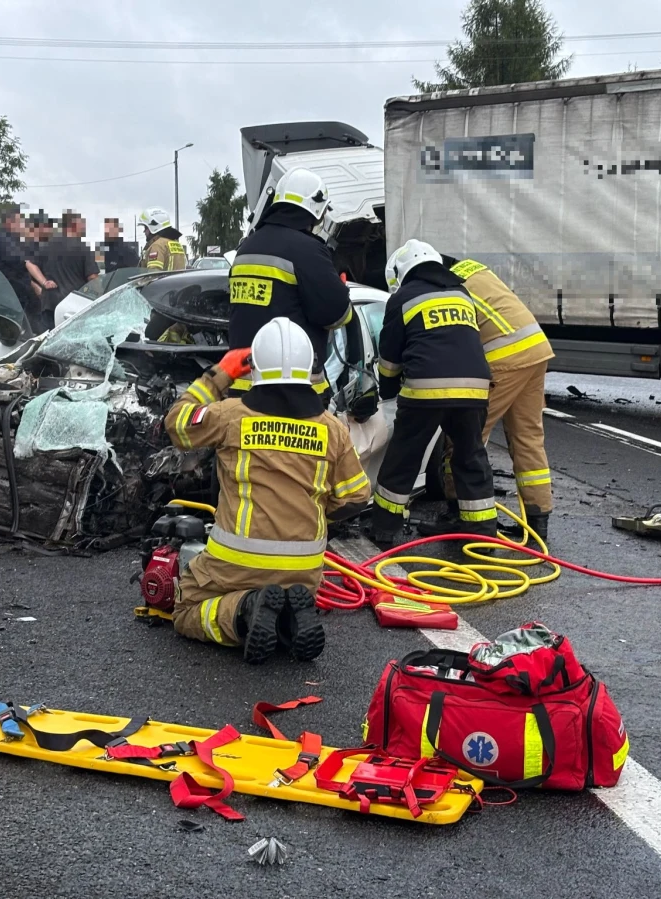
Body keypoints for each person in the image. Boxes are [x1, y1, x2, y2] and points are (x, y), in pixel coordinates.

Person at [163, 317, 371, 663]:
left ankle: (244, 610)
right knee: (285, 598)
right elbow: (356, 496)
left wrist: (220, 374)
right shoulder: (333, 429)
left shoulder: (231, 416)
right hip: (304, 570)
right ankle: (287, 620)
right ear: (308, 369)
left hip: (235, 563)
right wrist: (313, 512)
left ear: (255, 368)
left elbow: (177, 424)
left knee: (186, 610)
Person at [371, 240, 495, 547]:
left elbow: (389, 360)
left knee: (404, 457)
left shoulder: (403, 298)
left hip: (426, 390)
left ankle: (386, 529)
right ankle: (481, 531)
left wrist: (387, 391)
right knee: (470, 455)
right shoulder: (462, 294)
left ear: (403, 272)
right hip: (474, 390)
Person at [432, 256, 555, 541]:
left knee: (464, 435)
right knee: (528, 437)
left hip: (504, 357)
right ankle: (537, 523)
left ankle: (460, 513)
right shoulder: (471, 268)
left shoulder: (443, 289)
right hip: (536, 347)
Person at [227, 168, 352, 400]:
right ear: (316, 210)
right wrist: (340, 289)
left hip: (242, 387)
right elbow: (338, 315)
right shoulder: (309, 250)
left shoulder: (245, 249)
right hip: (294, 394)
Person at [0, 207, 54, 330]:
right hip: (10, 296)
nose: (22, 225)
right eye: (19, 221)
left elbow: (20, 270)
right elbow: (23, 264)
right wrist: (42, 283)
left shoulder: (7, 239)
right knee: (16, 333)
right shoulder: (4, 240)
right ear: (9, 222)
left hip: (15, 295)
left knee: (29, 330)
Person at [35, 210, 99, 328]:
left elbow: (31, 265)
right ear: (73, 224)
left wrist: (43, 282)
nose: (84, 228)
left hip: (50, 306)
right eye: (82, 224)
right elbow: (93, 278)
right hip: (74, 308)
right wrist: (99, 297)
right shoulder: (83, 248)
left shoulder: (47, 245)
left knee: (49, 338)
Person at [137, 207, 187, 271]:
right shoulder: (177, 244)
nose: (144, 231)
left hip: (165, 278)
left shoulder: (157, 246)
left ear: (153, 227)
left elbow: (153, 273)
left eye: (146, 228)